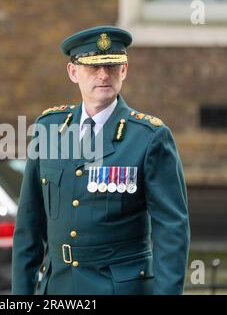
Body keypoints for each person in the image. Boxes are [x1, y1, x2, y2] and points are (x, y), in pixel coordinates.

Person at [12, 25, 190, 295]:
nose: (103, 74)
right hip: (58, 288)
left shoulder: (149, 137)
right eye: (93, 67)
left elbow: (171, 230)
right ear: (73, 72)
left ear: (124, 70)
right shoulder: (48, 129)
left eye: (111, 65)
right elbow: (29, 226)